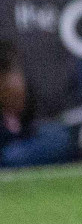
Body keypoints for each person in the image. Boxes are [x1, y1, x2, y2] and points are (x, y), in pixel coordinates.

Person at [1, 38, 77, 168]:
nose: (20, 97)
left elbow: (34, 129)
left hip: (26, 144)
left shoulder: (31, 99)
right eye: (11, 94)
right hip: (8, 153)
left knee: (56, 135)